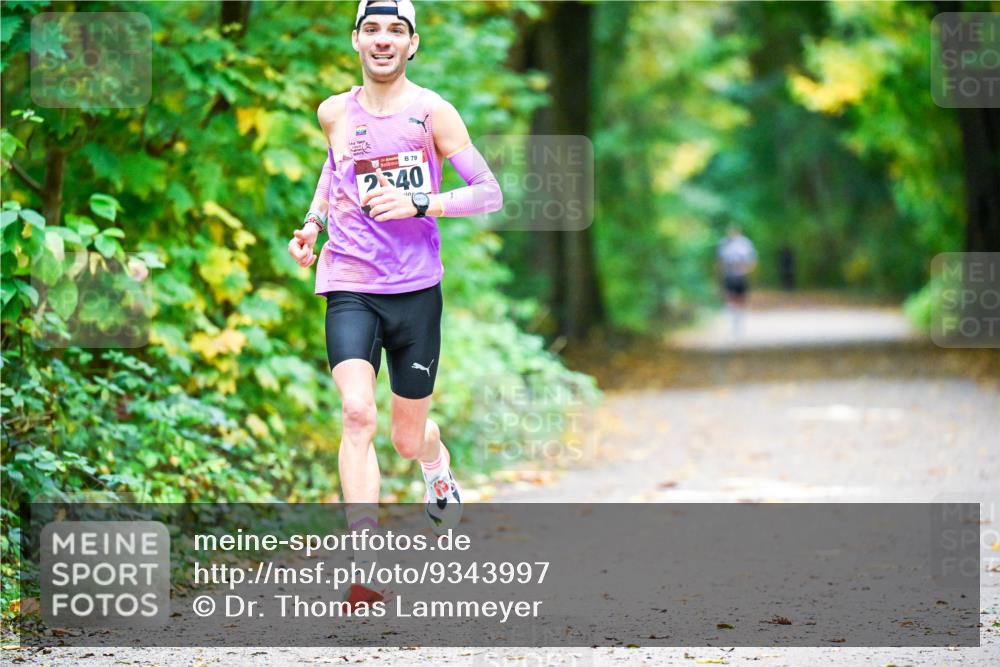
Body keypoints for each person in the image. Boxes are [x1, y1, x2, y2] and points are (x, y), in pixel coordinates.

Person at [286, 0, 503, 608]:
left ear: (412, 44)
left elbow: (489, 193)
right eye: (372, 30)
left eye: (396, 31)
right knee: (357, 413)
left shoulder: (433, 113)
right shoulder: (334, 111)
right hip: (350, 282)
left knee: (407, 439)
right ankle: (365, 562)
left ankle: (434, 465)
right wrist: (313, 223)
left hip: (415, 290)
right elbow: (335, 170)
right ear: (356, 40)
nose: (383, 40)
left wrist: (422, 203)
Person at [716, 225, 757, 335]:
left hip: (741, 275)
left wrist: (747, 270)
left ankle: (740, 317)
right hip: (728, 275)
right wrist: (720, 273)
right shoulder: (723, 244)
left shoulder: (745, 244)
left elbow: (751, 259)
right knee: (729, 296)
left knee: (741, 297)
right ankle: (733, 317)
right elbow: (719, 260)